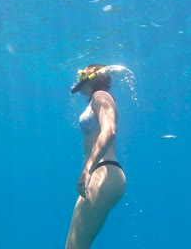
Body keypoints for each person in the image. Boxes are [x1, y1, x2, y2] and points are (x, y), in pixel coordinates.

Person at [66, 64, 127, 249]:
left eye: (82, 74)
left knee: (75, 246)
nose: (79, 80)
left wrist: (87, 169)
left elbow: (109, 131)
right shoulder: (97, 99)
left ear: (93, 78)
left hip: (103, 172)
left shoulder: (100, 96)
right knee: (75, 245)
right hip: (103, 174)